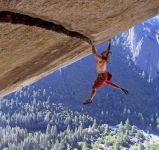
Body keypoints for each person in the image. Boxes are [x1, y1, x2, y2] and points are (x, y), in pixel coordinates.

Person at [83, 39, 128, 105]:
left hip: (103, 75)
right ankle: (90, 99)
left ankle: (90, 99)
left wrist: (92, 44)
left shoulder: (102, 60)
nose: (104, 51)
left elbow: (95, 53)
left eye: (104, 52)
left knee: (94, 87)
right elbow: (112, 84)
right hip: (103, 75)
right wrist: (121, 88)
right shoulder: (104, 60)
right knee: (94, 87)